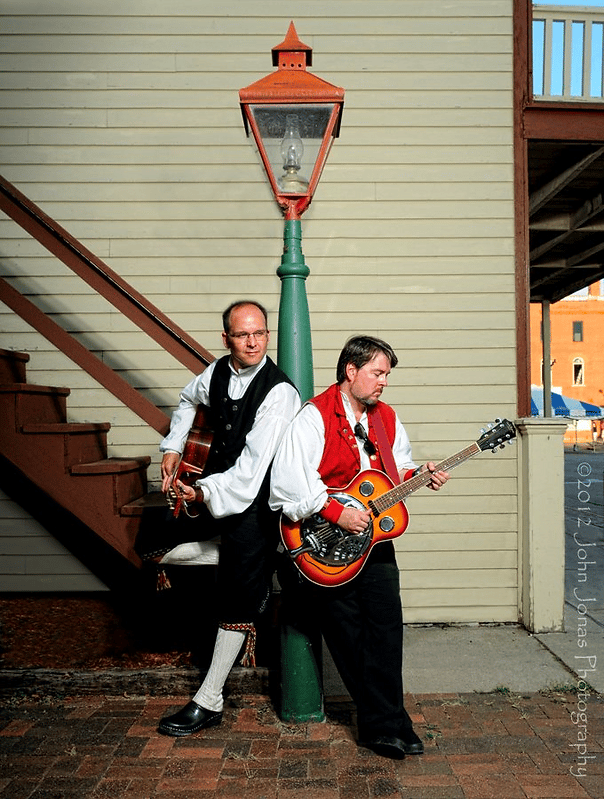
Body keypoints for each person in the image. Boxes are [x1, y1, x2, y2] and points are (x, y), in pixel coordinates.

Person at [269, 335, 449, 760]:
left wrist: (419, 473)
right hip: (326, 545)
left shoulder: (385, 416)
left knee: (386, 631)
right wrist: (335, 513)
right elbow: (288, 484)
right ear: (351, 371)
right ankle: (387, 725)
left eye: (387, 374)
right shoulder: (313, 417)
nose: (384, 382)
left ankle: (387, 722)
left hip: (376, 541)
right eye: (377, 372)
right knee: (348, 636)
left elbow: (395, 466)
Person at [156, 300, 300, 737]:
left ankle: (210, 698)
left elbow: (250, 474)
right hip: (214, 490)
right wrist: (173, 447)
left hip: (254, 504)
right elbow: (186, 399)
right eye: (242, 335)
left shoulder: (280, 393)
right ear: (226, 339)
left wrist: (201, 491)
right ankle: (238, 577)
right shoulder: (215, 372)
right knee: (156, 540)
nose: (253, 342)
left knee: (238, 593)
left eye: (260, 333)